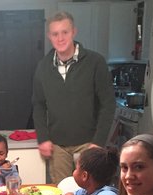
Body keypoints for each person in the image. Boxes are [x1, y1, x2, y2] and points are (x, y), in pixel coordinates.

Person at [32, 10, 116, 184]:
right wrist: (43, 138)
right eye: (55, 34)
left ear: (74, 32)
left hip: (89, 144)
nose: (60, 38)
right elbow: (38, 105)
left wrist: (98, 142)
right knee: (62, 192)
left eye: (65, 32)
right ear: (49, 36)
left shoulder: (95, 62)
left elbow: (108, 105)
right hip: (57, 147)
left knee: (91, 191)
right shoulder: (43, 67)